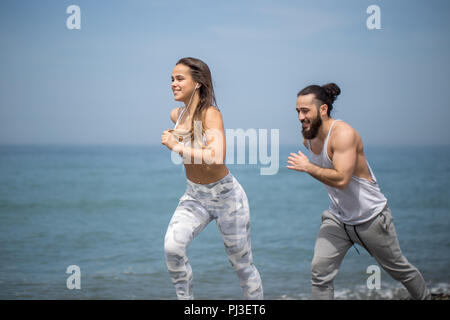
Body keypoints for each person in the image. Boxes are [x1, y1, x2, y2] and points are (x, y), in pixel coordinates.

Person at [286, 83, 430, 300]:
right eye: (297, 111)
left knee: (399, 269)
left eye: (305, 110)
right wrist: (311, 167)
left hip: (370, 218)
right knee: (320, 271)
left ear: (323, 109)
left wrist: (308, 167)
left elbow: (342, 179)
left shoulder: (343, 134)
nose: (300, 116)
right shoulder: (308, 138)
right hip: (338, 219)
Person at [161, 57, 263, 300]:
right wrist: (178, 135)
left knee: (242, 265)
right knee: (172, 249)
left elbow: (216, 156)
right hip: (195, 195)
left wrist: (177, 146)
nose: (173, 84)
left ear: (197, 83)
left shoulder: (211, 114)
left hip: (227, 196)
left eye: (179, 78)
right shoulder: (177, 113)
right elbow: (192, 137)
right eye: (172, 79)